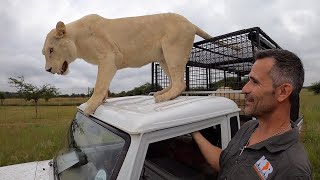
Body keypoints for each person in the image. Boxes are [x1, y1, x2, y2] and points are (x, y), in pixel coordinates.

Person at [192, 49, 312, 179]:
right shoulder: (249, 127)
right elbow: (224, 163)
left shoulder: (293, 169)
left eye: (255, 82)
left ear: (283, 92)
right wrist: (194, 132)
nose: (244, 89)